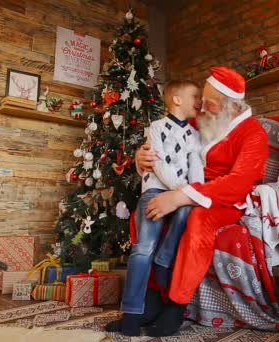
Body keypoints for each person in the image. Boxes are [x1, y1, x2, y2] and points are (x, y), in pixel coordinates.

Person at [131, 66, 269, 336]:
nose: (201, 106)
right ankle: (150, 299)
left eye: (209, 102)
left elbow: (237, 183)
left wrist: (181, 197)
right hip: (184, 187)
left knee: (198, 221)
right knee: (147, 213)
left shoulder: (254, 135)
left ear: (232, 106)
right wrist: (142, 155)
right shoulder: (204, 119)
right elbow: (168, 139)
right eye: (201, 99)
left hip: (224, 199)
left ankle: (175, 303)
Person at [107, 80, 204, 337]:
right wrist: (181, 190)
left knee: (187, 209)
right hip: (156, 191)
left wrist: (193, 191)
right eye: (195, 95)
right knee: (143, 248)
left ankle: (164, 260)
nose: (200, 100)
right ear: (177, 100)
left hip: (181, 193)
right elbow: (158, 164)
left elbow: (197, 171)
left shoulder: (196, 137)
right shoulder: (156, 128)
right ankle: (130, 314)